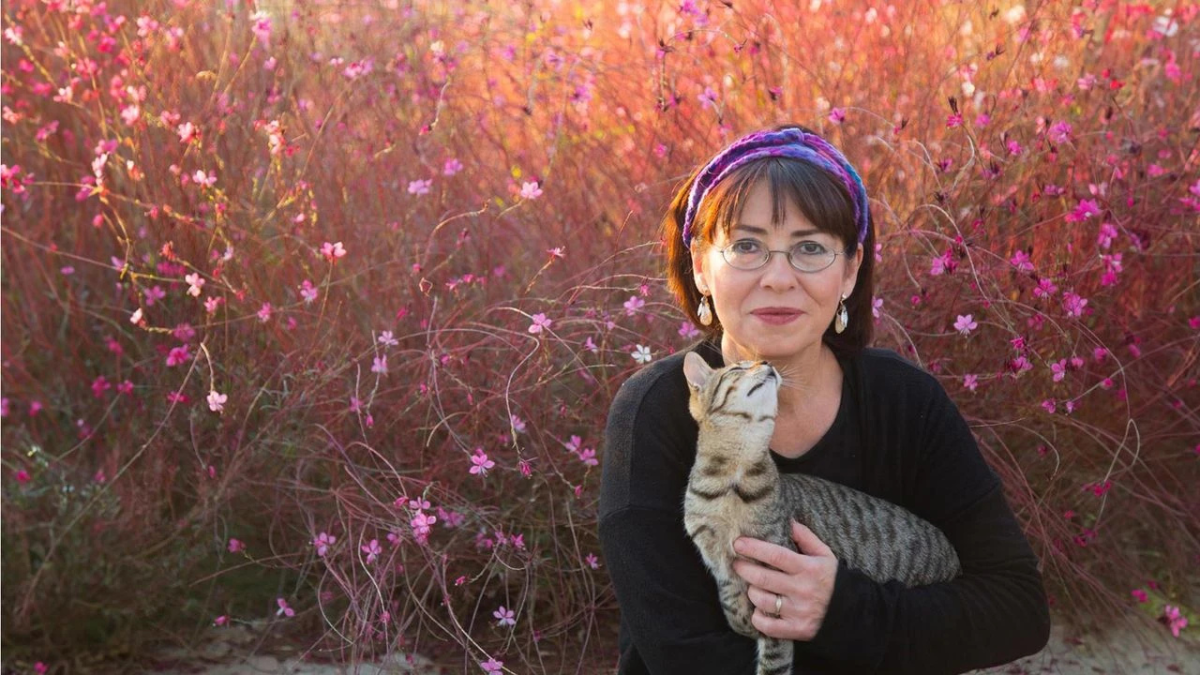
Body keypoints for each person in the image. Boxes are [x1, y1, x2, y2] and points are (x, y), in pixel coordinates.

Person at [598, 124, 1050, 674]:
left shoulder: (904, 401)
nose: (778, 278)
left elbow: (1017, 608)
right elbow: (682, 653)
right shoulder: (655, 412)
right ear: (700, 266)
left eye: (810, 248)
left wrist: (839, 609)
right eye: (746, 246)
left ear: (850, 270)